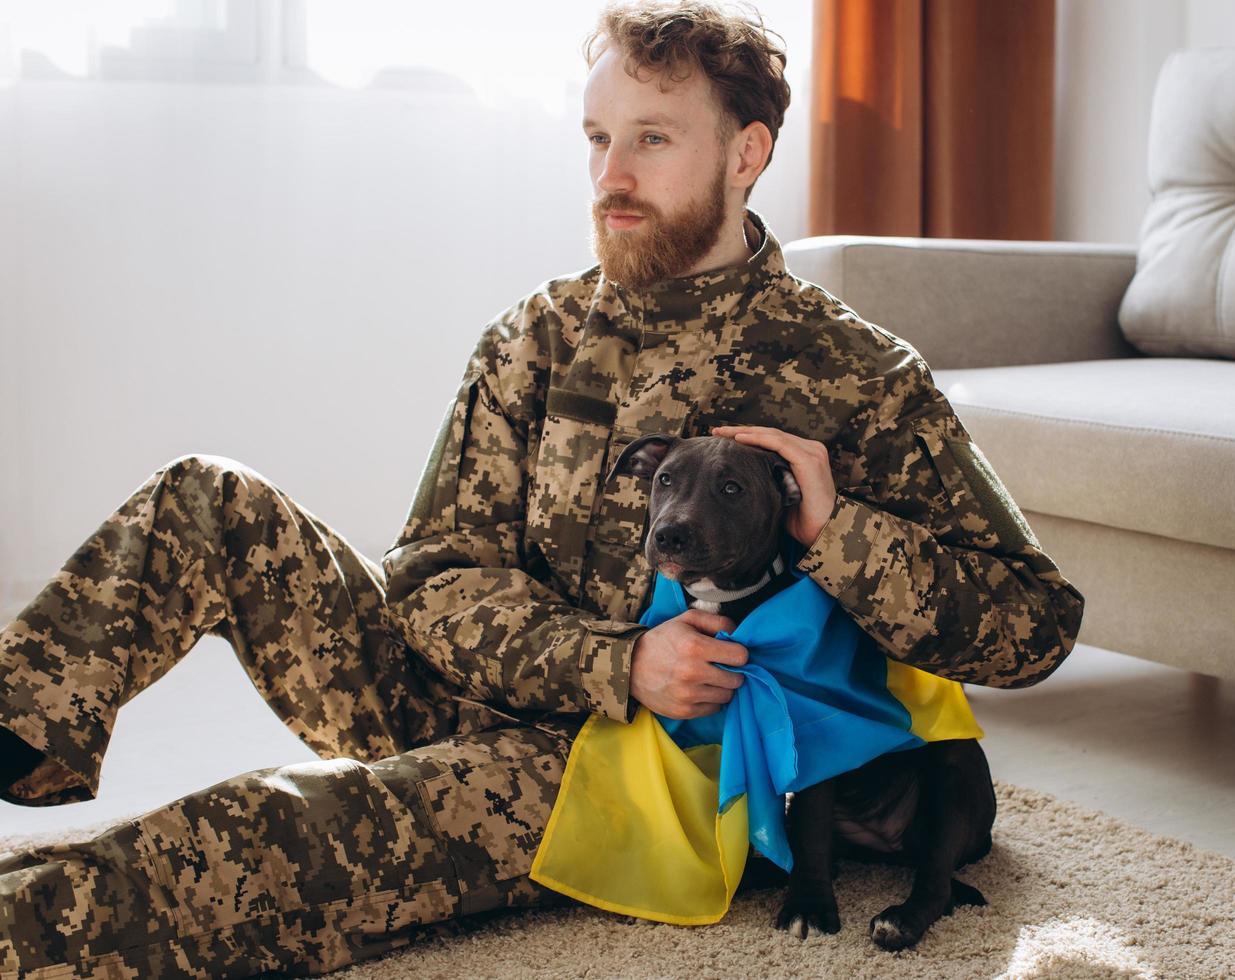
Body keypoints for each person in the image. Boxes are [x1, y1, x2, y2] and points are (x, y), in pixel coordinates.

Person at [0, 1, 1086, 976]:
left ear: (747, 152)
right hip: (471, 687)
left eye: (652, 140)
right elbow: (427, 574)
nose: (611, 174)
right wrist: (617, 659)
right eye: (599, 139)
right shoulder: (540, 332)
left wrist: (839, 530)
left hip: (592, 777)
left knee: (255, 840)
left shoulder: (859, 373)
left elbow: (1033, 628)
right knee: (205, 498)